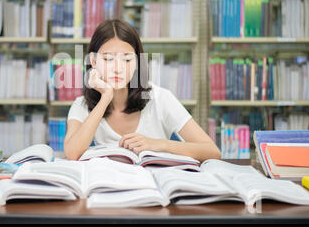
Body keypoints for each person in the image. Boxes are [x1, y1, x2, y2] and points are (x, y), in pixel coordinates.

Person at [64, 19, 221, 162]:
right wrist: (105, 97)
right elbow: (72, 153)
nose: (118, 69)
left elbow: (212, 152)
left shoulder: (160, 98)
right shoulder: (82, 105)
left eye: (126, 59)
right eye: (108, 59)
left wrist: (158, 144)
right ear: (93, 61)